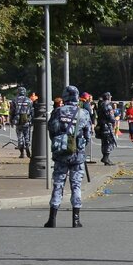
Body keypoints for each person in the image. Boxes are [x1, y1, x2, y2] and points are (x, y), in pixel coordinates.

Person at [44, 85, 92, 229]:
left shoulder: (58, 111)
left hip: (61, 154)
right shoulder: (83, 113)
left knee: (58, 184)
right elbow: (88, 136)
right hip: (77, 154)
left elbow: (52, 130)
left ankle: (52, 219)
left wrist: (60, 143)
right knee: (76, 185)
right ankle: (76, 219)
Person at [95, 92, 119, 166]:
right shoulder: (108, 105)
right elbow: (111, 117)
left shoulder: (101, 104)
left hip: (101, 125)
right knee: (109, 142)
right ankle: (106, 157)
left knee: (104, 142)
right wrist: (115, 119)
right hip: (107, 126)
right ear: (108, 97)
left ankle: (106, 158)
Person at [9, 87, 33, 158]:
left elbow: (12, 112)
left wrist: (11, 121)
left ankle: (22, 153)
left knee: (20, 136)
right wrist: (32, 121)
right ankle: (27, 146)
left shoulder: (14, 100)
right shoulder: (29, 100)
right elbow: (32, 111)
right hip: (26, 120)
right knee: (27, 135)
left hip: (18, 121)